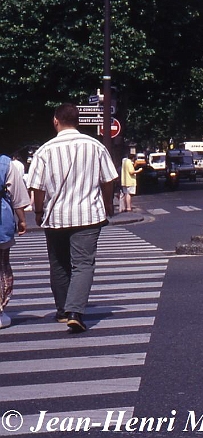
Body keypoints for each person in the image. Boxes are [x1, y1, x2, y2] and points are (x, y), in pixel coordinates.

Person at [26, 103, 117, 333]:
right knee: (83, 264)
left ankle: (62, 310)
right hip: (88, 215)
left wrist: (38, 212)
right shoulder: (95, 146)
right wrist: (108, 204)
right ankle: (75, 311)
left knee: (58, 264)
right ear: (78, 121)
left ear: (56, 121)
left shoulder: (44, 151)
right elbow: (108, 180)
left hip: (55, 215)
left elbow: (37, 187)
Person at [1, 154, 31, 329]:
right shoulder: (5, 163)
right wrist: (22, 220)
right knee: (2, 266)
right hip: (1, 221)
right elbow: (17, 196)